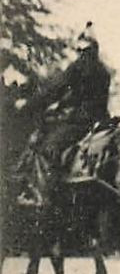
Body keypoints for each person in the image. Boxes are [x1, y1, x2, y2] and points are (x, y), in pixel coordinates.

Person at [23, 22, 113, 176]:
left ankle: (46, 194)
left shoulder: (78, 67)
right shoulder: (104, 70)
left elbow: (55, 90)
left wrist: (28, 105)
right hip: (101, 121)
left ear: (81, 48)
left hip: (79, 121)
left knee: (47, 149)